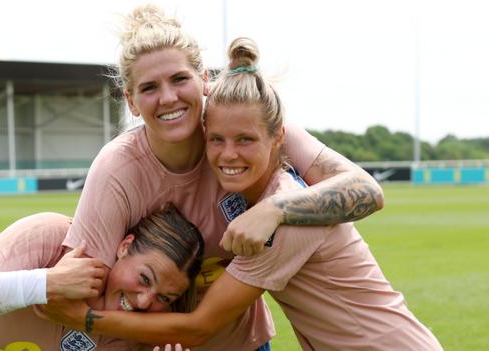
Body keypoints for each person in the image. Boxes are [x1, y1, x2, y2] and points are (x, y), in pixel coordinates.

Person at [40, 37, 443, 350]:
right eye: (216, 140)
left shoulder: (282, 217)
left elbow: (199, 327)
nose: (227, 154)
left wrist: (86, 320)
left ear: (278, 139)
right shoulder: (126, 163)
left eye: (245, 140)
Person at [0, 203, 204, 351]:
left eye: (164, 297)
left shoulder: (134, 335)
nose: (145, 301)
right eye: (145, 278)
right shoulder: (54, 237)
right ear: (125, 246)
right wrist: (47, 284)